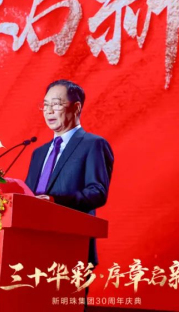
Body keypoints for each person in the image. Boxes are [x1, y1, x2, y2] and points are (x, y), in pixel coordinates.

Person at [25, 79, 114, 266]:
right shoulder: (38, 153)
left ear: (76, 107)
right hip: (32, 246)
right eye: (45, 105)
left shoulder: (93, 145)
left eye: (56, 104)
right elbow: (28, 195)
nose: (49, 111)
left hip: (72, 247)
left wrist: (55, 201)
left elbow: (97, 192)